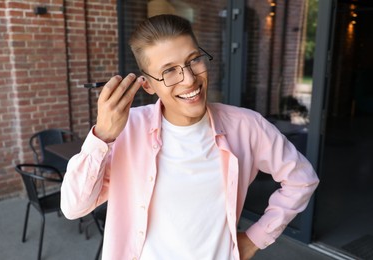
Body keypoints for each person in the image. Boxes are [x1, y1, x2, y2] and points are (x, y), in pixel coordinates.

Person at [60, 14, 319, 260]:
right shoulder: (126, 130)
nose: (189, 80)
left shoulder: (246, 126)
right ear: (148, 85)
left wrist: (257, 237)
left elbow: (301, 179)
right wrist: (103, 136)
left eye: (194, 59)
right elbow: (74, 207)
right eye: (169, 70)